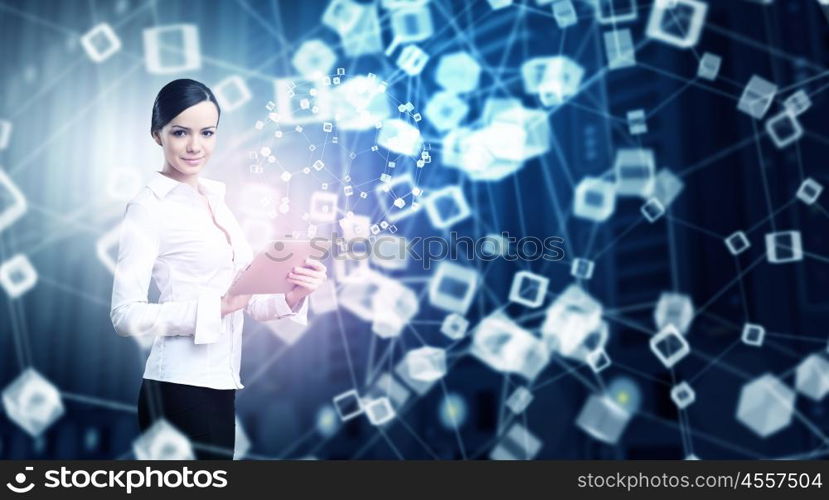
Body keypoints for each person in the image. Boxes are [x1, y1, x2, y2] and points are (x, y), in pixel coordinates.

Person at [109, 78, 327, 459]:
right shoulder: (148, 208)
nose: (195, 146)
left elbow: (246, 297)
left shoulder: (216, 200)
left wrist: (293, 294)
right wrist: (217, 307)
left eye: (207, 132)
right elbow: (125, 317)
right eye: (180, 132)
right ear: (157, 134)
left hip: (220, 386)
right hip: (175, 389)